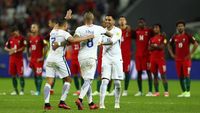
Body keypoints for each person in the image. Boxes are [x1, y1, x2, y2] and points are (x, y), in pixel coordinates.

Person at [43, 18, 95, 110]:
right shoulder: (64, 33)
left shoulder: (53, 32)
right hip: (59, 59)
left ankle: (47, 104)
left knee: (49, 82)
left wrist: (65, 18)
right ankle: (62, 102)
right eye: (67, 25)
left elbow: (59, 25)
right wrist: (88, 37)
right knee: (68, 80)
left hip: (49, 58)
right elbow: (73, 40)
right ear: (65, 25)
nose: (68, 27)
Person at [168, 20, 198, 98]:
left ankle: (188, 92)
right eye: (178, 26)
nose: (180, 27)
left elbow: (196, 44)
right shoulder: (175, 37)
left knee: (186, 75)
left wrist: (191, 54)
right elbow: (169, 45)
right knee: (180, 76)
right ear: (177, 28)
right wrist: (172, 54)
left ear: (184, 27)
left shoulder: (188, 36)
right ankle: (184, 92)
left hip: (186, 60)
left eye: (181, 26)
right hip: (178, 60)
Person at [99, 15, 123, 109]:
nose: (107, 21)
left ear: (113, 21)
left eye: (109, 20)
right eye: (106, 19)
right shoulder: (102, 31)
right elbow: (99, 40)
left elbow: (112, 41)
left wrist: (101, 43)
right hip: (106, 58)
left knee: (117, 82)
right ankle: (101, 104)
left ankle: (117, 102)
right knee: (104, 81)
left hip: (117, 58)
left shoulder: (118, 31)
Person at [133, 18, 153, 96]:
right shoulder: (136, 31)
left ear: (145, 23)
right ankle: (140, 91)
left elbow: (157, 35)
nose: (140, 24)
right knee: (139, 72)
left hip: (147, 55)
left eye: (142, 22)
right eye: (139, 22)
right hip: (138, 55)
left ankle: (150, 91)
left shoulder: (149, 31)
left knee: (148, 72)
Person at [27, 23, 48, 95]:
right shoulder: (29, 38)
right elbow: (28, 47)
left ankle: (38, 91)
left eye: (34, 27)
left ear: (37, 29)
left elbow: (46, 47)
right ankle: (37, 90)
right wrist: (28, 56)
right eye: (31, 27)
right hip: (32, 59)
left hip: (38, 60)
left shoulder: (41, 38)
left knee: (39, 75)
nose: (32, 28)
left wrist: (43, 57)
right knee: (35, 75)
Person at [4, 26, 25, 95]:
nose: (14, 34)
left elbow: (23, 47)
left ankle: (22, 90)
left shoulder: (22, 38)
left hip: (19, 59)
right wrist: (10, 50)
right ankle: (15, 90)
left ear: (18, 31)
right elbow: (5, 47)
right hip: (12, 59)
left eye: (15, 32)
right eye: (13, 33)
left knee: (21, 75)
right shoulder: (11, 39)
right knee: (13, 75)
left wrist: (15, 51)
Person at [149, 24, 169, 97]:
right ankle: (157, 92)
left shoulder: (163, 37)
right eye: (154, 28)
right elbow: (149, 48)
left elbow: (162, 47)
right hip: (153, 59)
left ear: (160, 29)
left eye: (157, 28)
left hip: (161, 59)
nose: (155, 29)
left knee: (163, 75)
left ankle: (166, 92)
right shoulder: (151, 38)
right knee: (155, 76)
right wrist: (156, 46)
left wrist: (154, 46)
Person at [118, 16, 132, 96]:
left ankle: (125, 90)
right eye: (120, 20)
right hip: (118, 55)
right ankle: (116, 89)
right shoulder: (116, 30)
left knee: (126, 72)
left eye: (123, 20)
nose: (122, 21)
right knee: (116, 72)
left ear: (126, 21)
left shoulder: (129, 31)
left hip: (126, 55)